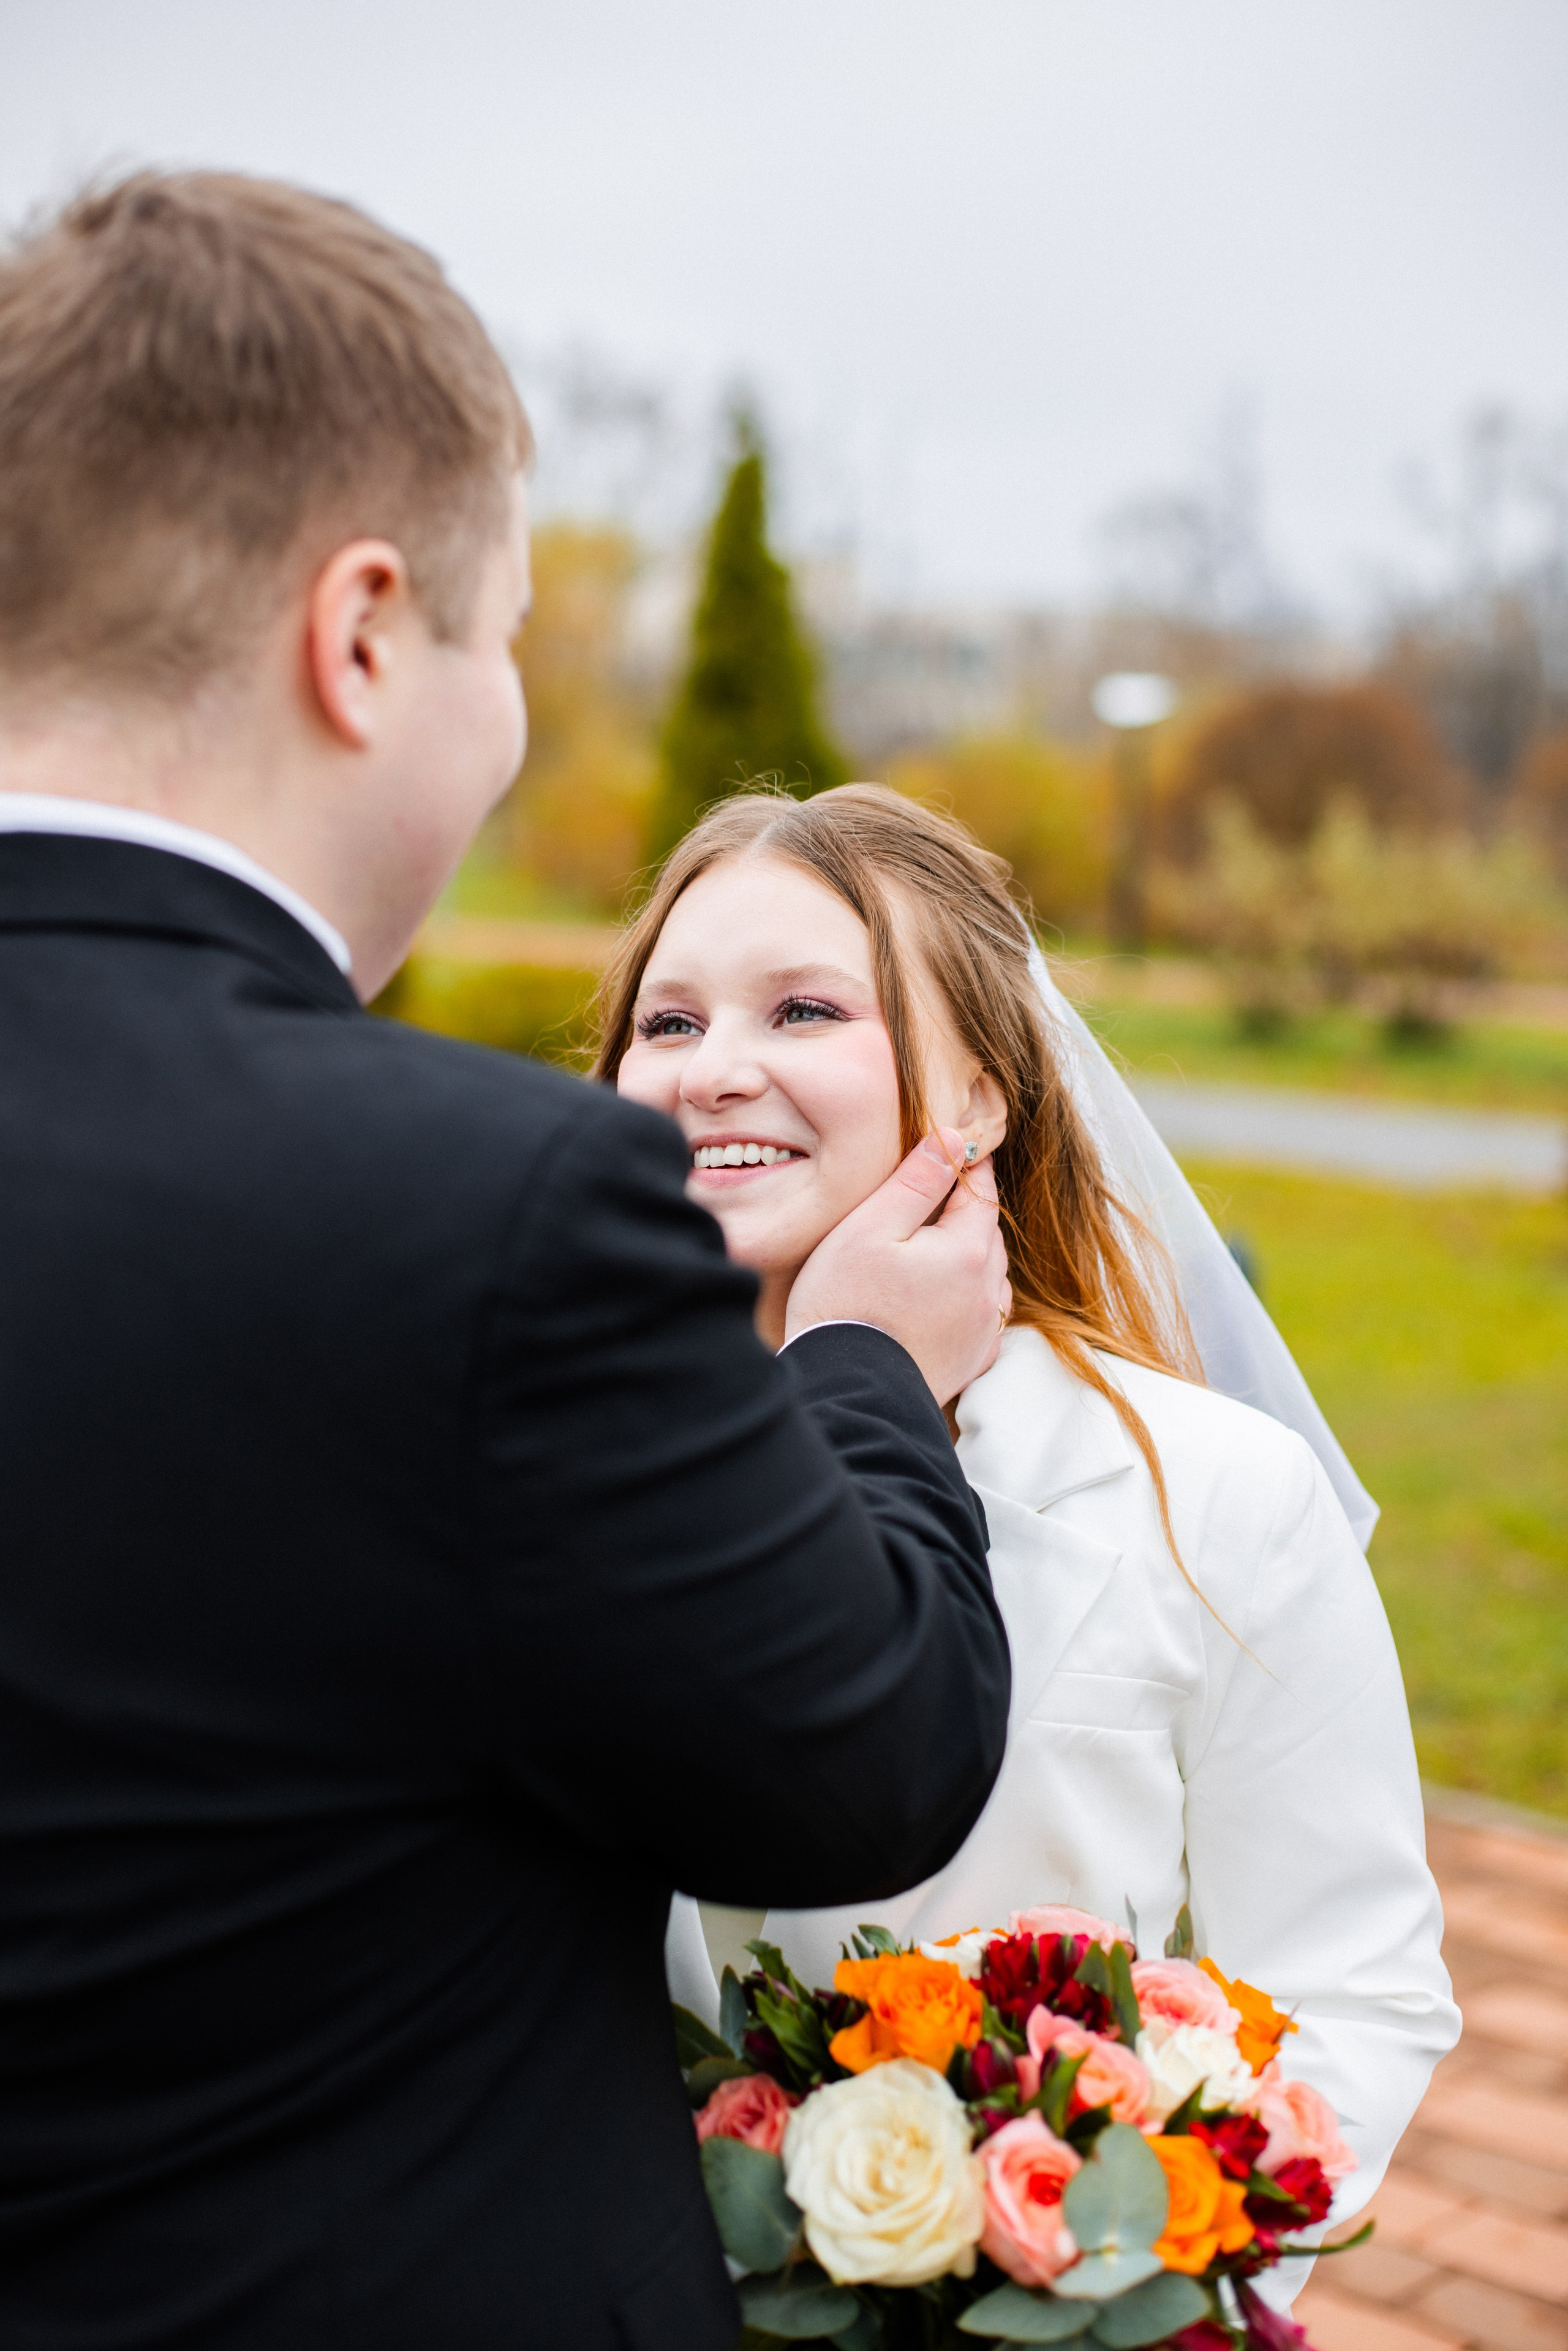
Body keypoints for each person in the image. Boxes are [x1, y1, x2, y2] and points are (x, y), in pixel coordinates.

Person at [0, 178, 1016, 2350]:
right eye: (505, 638)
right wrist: (857, 1376)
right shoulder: (494, 1208)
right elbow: (860, 1752)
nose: (506, 718)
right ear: (360, 632)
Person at [607, 783, 1461, 2262]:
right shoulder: (549, 1469)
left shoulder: (1218, 1495)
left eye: (804, 1010)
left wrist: (1113, 2255)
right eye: (666, 1024)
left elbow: (1354, 1990)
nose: (713, 1070)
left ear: (984, 1093)